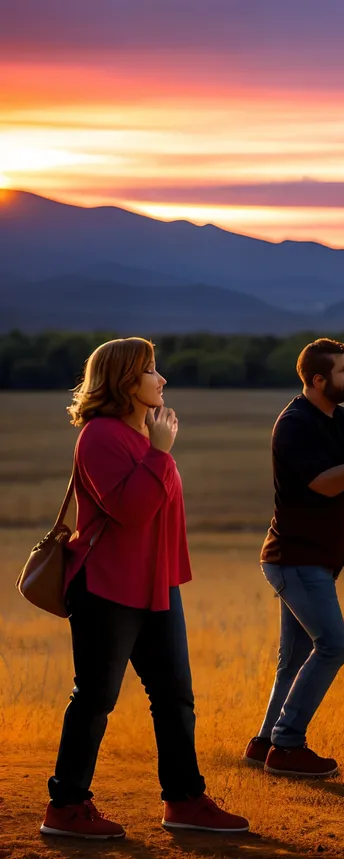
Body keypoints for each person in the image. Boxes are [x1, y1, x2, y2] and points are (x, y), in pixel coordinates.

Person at [40, 337, 249, 839]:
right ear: (125, 381)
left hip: (155, 587)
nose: (162, 379)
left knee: (176, 697)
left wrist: (156, 450)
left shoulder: (142, 434)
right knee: (95, 697)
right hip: (107, 587)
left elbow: (162, 515)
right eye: (152, 371)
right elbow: (132, 512)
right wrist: (159, 454)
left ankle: (183, 801)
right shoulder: (99, 436)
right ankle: (65, 808)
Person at [243, 338, 344, 777]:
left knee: (297, 657)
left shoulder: (340, 421)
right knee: (334, 646)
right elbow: (323, 483)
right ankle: (287, 745)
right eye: (343, 372)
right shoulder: (295, 424)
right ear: (318, 380)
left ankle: (264, 742)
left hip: (315, 558)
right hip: (294, 558)